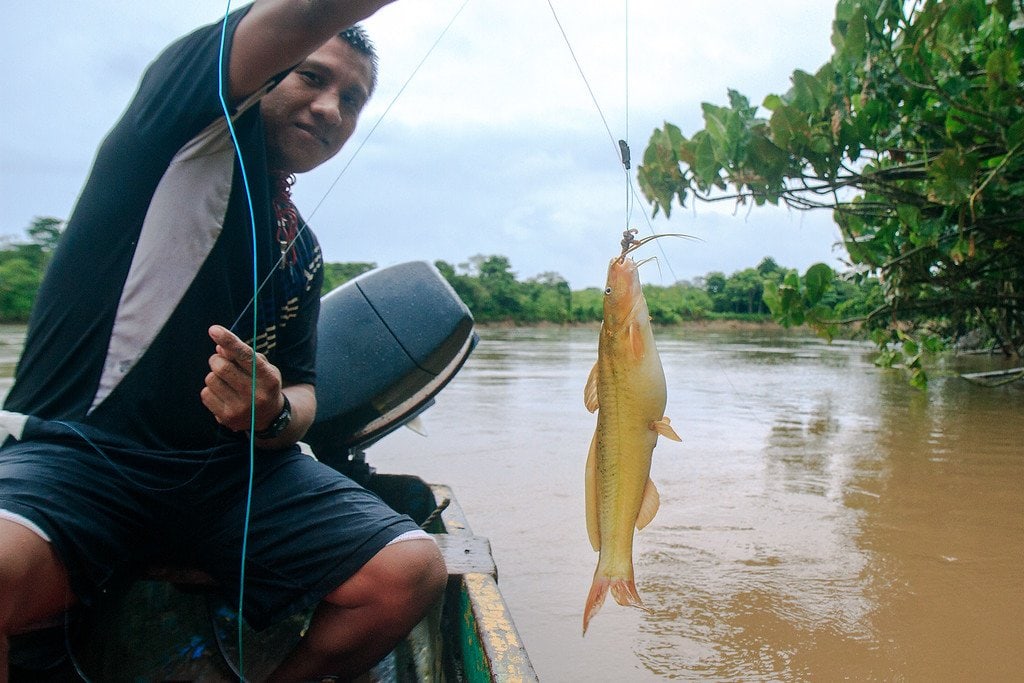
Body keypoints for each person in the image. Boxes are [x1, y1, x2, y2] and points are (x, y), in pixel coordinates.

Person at [0, 1, 447, 680]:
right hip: (78, 457)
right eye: (310, 77)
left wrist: (269, 412)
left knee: (410, 571)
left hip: (227, 481)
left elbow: (305, 392)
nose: (330, 107)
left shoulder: (302, 248)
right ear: (266, 71)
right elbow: (302, 13)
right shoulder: (175, 133)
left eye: (352, 99)